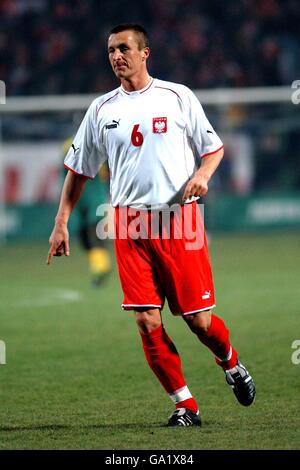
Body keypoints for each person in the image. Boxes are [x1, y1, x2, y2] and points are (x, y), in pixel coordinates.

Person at [47, 24, 255, 427]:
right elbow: (78, 171)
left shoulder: (178, 97)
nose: (115, 56)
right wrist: (61, 222)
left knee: (198, 321)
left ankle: (229, 361)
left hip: (179, 222)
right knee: (146, 319)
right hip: (128, 225)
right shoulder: (101, 109)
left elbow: (213, 149)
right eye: (110, 50)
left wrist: (204, 175)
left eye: (123, 48)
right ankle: (185, 405)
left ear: (145, 53)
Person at [61, 136, 111, 286]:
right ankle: (101, 265)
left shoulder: (69, 146)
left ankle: (101, 268)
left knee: (93, 234)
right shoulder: (96, 145)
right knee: (84, 237)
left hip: (95, 199)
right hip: (82, 200)